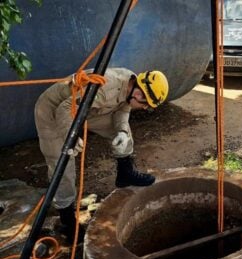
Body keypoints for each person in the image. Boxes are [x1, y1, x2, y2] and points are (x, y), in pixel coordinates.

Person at [34, 68, 169, 242]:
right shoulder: (107, 88)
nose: (144, 108)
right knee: (62, 161)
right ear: (138, 93)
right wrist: (72, 137)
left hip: (88, 108)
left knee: (124, 134)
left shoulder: (131, 85)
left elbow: (123, 108)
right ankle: (67, 219)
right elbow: (65, 109)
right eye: (146, 104)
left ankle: (125, 174)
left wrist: (120, 130)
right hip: (54, 110)